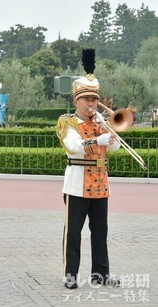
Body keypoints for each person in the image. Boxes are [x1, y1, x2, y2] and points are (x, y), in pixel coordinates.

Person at [56, 49, 121, 290]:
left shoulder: (100, 123)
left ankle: (100, 274)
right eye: (87, 100)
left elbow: (113, 149)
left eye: (94, 99)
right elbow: (73, 147)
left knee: (100, 232)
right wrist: (97, 140)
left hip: (100, 184)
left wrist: (110, 134)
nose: (92, 104)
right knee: (73, 232)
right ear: (76, 101)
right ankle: (70, 274)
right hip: (77, 184)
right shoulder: (68, 122)